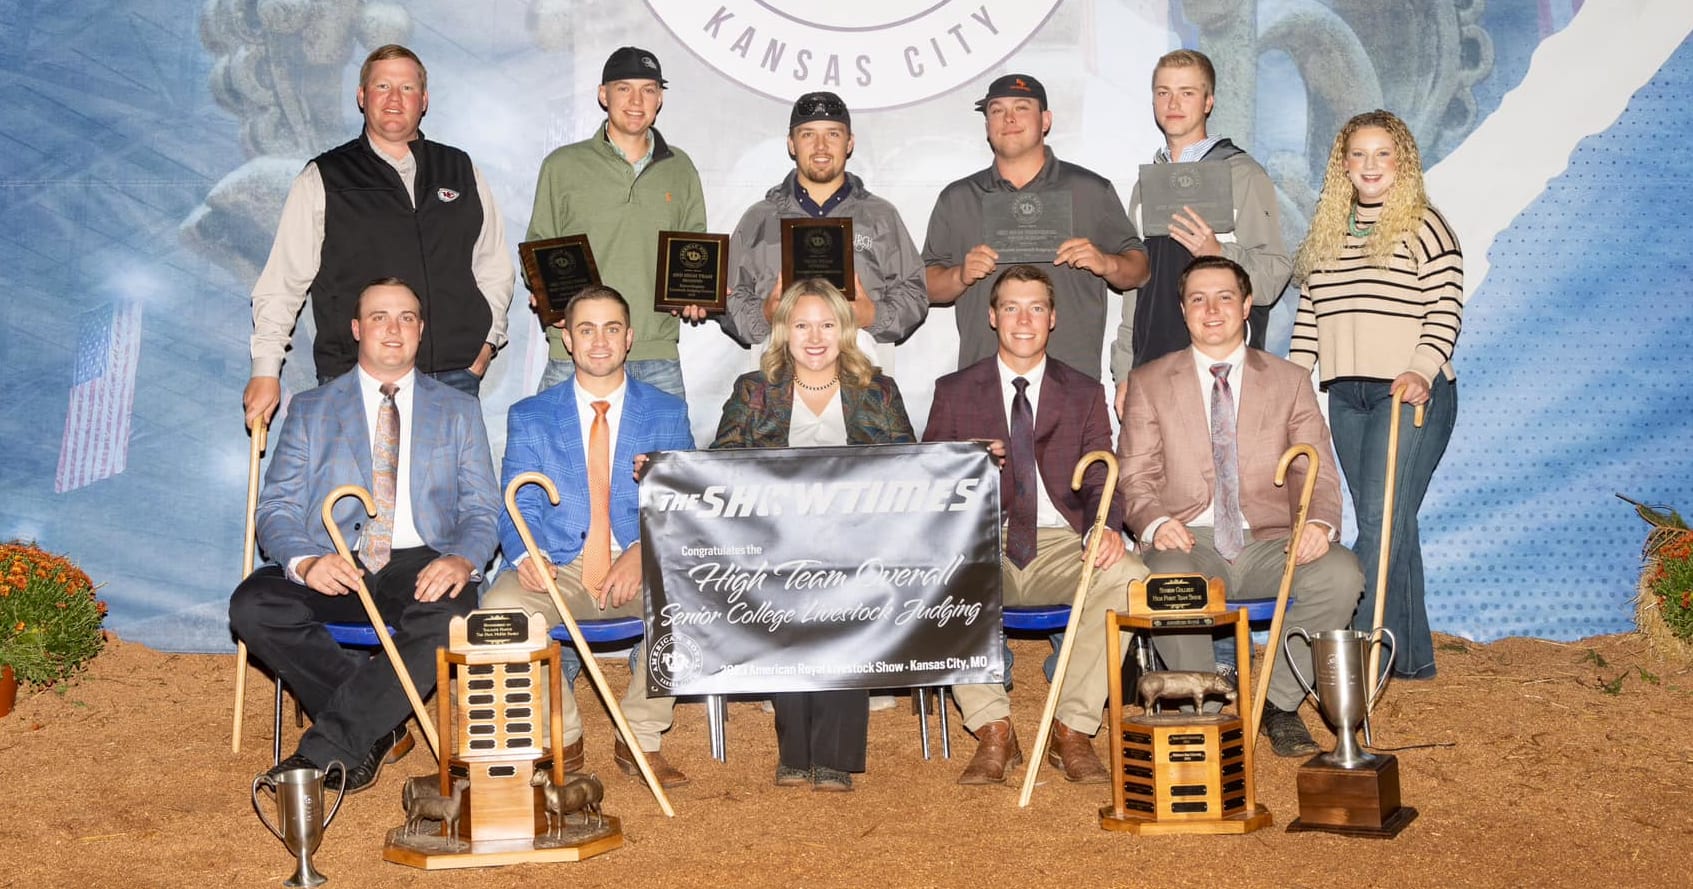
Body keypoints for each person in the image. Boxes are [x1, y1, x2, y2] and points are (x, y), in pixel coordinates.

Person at [232, 278, 499, 791]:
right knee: (254, 604)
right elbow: (278, 508)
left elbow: (483, 506)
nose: (393, 329)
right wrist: (307, 562)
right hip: (336, 557)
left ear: (421, 330)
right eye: (379, 317)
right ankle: (381, 723)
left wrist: (463, 559)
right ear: (357, 328)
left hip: (421, 558)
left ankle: (327, 748)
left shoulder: (458, 409)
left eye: (406, 317)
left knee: (452, 617)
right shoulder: (311, 408)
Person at [1117, 256, 1362, 756]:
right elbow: (1135, 475)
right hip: (1189, 539)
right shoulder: (1148, 381)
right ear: (1183, 311)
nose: (1212, 310)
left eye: (1225, 297)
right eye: (1198, 299)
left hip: (1269, 540)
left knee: (1341, 574)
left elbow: (1314, 468)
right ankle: (1203, 713)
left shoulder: (1290, 380)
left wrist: (1317, 522)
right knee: (1168, 582)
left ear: (1247, 305)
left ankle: (1278, 703)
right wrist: (1155, 520)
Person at [923, 264, 1147, 785]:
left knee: (1130, 575)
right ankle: (993, 727)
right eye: (1011, 307)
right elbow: (930, 481)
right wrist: (965, 464)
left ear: (1053, 319)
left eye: (1036, 308)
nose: (1024, 319)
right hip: (985, 543)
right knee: (939, 576)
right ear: (992, 318)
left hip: (1061, 542)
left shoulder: (1084, 390)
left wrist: (1104, 527)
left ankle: (1072, 727)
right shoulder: (955, 390)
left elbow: (1100, 475)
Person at [482, 285, 696, 788]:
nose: (599, 342)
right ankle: (563, 734)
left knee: (694, 597)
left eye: (612, 329)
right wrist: (525, 554)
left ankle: (640, 736)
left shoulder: (667, 412)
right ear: (567, 341)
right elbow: (518, 502)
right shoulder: (530, 415)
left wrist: (644, 550)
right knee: (499, 616)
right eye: (586, 329)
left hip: (637, 557)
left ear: (629, 339)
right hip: (561, 561)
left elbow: (683, 503)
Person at [710, 278, 917, 792]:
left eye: (827, 324)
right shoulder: (753, 391)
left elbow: (911, 468)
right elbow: (721, 463)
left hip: (860, 550)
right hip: (775, 549)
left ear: (845, 330)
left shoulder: (878, 390)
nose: (815, 336)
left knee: (843, 609)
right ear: (784, 332)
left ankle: (835, 756)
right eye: (802, 325)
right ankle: (795, 750)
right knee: (789, 603)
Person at [244, 44, 513, 427]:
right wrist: (266, 369)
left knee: (450, 490)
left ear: (424, 100)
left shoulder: (460, 169)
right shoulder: (325, 177)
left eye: (406, 88)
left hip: (454, 379)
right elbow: (283, 281)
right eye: (382, 86)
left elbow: (494, 265)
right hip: (355, 381)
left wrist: (487, 342)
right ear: (361, 97)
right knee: (356, 489)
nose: (394, 99)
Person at [1290, 110, 1463, 681]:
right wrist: (1295, 380)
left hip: (1408, 391)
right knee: (1392, 521)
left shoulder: (1425, 225)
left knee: (1379, 519)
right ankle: (1408, 658)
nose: (1370, 166)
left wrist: (1420, 370)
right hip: (1346, 394)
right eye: (1358, 155)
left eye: (1382, 154)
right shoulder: (1327, 227)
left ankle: (1346, 654)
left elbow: (1446, 307)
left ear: (1403, 162)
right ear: (1342, 164)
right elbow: (1312, 313)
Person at [923, 74, 1149, 380]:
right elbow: (924, 285)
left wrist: (1106, 262)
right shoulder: (958, 198)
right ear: (987, 125)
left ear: (1045, 120)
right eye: (997, 110)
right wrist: (959, 275)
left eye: (1021, 107)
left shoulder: (1090, 191)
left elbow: (1140, 270)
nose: (1009, 118)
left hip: (1072, 382)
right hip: (982, 383)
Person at [1110, 49, 1291, 417]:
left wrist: (1220, 253)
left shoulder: (1242, 175)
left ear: (1208, 102)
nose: (1173, 103)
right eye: (1163, 92)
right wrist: (1125, 371)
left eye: (1187, 92)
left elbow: (1275, 273)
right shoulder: (1145, 187)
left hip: (1221, 377)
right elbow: (1134, 294)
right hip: (1151, 373)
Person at [527, 47, 708, 397]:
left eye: (649, 89)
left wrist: (700, 293)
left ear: (660, 99)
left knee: (665, 454)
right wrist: (543, 289)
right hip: (576, 351)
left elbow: (695, 251)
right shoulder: (562, 166)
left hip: (655, 351)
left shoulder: (681, 168)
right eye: (624, 88)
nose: (637, 100)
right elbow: (539, 248)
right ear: (603, 94)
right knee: (553, 451)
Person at [721, 91, 928, 355]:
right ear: (792, 144)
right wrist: (765, 314)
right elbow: (727, 299)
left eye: (833, 134)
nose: (821, 146)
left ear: (849, 143)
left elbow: (915, 292)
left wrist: (873, 315)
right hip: (777, 378)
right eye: (808, 134)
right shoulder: (759, 219)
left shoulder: (881, 216)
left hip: (862, 375)